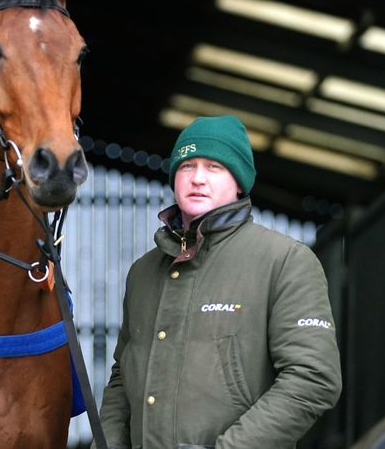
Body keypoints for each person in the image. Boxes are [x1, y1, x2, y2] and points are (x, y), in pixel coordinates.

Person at [98, 115, 342, 448]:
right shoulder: (143, 272)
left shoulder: (284, 260)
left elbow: (314, 378)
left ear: (239, 182)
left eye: (214, 167)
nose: (197, 178)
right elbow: (121, 379)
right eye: (187, 166)